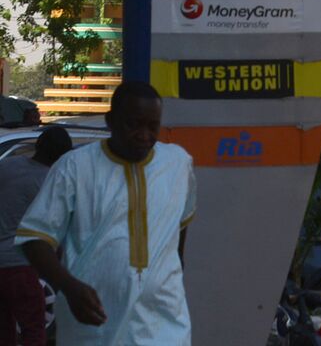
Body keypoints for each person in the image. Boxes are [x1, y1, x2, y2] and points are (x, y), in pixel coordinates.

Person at [18, 82, 196, 346]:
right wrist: (68, 286)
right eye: (133, 124)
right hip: (95, 327)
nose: (144, 135)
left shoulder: (178, 163)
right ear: (111, 121)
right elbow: (35, 238)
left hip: (164, 324)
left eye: (152, 126)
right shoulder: (75, 167)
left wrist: (172, 268)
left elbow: (180, 222)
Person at [0, 127, 72, 346]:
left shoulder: (7, 166)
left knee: (4, 331)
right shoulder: (49, 183)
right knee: (33, 329)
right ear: (62, 156)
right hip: (20, 265)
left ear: (38, 145)